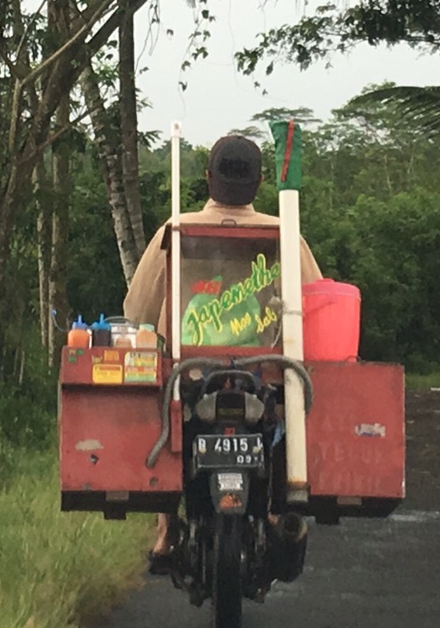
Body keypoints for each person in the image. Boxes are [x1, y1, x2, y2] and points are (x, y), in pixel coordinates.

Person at [125, 133, 321, 569]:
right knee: (290, 413)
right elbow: (317, 305)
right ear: (259, 181)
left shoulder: (173, 231)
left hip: (189, 373)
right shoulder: (285, 235)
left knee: (167, 416)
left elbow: (137, 308)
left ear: (208, 178)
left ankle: (166, 529)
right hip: (268, 374)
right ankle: (276, 510)